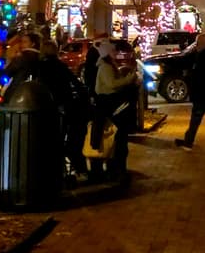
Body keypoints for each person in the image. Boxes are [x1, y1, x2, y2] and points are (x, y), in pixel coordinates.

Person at [37, 39, 91, 178]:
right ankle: (74, 169)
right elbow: (75, 83)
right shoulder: (60, 66)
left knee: (51, 140)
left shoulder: (40, 68)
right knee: (65, 140)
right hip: (64, 106)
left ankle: (54, 171)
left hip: (47, 107)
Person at [91, 37, 140, 185]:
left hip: (109, 106)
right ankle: (116, 170)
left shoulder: (109, 65)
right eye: (112, 50)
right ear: (107, 53)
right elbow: (112, 84)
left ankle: (114, 169)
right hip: (109, 106)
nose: (115, 52)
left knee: (116, 140)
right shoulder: (105, 67)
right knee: (117, 139)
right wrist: (129, 79)